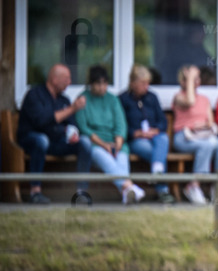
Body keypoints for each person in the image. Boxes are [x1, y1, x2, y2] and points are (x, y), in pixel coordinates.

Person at [16, 63, 87, 204]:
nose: (70, 82)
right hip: (31, 140)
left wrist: (73, 133)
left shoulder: (64, 99)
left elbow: (71, 124)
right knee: (41, 140)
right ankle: (35, 192)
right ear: (55, 79)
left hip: (56, 142)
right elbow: (42, 122)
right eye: (66, 78)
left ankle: (81, 193)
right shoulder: (34, 95)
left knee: (84, 143)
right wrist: (72, 109)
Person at [76, 65, 147, 204]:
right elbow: (83, 128)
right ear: (91, 84)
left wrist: (118, 143)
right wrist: (103, 145)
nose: (102, 87)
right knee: (107, 160)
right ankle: (130, 187)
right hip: (95, 143)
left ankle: (127, 192)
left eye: (104, 83)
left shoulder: (113, 99)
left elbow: (121, 124)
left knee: (121, 159)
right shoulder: (83, 99)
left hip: (116, 142)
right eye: (98, 84)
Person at [172, 64, 218, 204]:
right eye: (191, 79)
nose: (195, 81)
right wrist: (190, 77)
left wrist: (203, 125)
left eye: (197, 78)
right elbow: (190, 101)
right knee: (207, 145)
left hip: (203, 135)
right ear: (182, 82)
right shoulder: (178, 97)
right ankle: (194, 185)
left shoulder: (204, 99)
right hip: (183, 136)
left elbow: (210, 122)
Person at [120, 64, 175, 204]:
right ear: (133, 83)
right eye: (143, 83)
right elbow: (121, 125)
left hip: (154, 136)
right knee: (155, 153)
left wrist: (155, 130)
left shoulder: (152, 97)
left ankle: (157, 172)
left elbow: (163, 121)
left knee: (163, 139)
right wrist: (136, 133)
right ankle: (162, 190)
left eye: (148, 83)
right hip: (136, 140)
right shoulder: (123, 100)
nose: (146, 87)